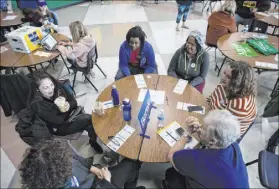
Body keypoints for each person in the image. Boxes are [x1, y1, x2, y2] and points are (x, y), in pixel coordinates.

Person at [165, 109, 249, 188]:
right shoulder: (233, 144)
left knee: (171, 173)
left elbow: (171, 155)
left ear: (213, 141)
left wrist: (187, 133)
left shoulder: (199, 160)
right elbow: (209, 143)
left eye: (204, 128)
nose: (200, 127)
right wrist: (203, 134)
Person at [19, 139, 145, 189]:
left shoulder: (55, 159)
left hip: (95, 176)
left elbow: (75, 157)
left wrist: (92, 168)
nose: (69, 159)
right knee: (131, 164)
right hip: (101, 185)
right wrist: (106, 181)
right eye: (67, 161)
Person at [28, 71, 103, 153]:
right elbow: (59, 120)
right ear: (37, 89)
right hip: (59, 127)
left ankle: (93, 141)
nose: (51, 89)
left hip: (70, 115)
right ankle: (94, 140)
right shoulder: (38, 104)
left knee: (89, 124)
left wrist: (69, 105)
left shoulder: (58, 87)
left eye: (51, 85)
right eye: (45, 88)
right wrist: (62, 108)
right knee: (89, 118)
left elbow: (74, 102)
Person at [207, 61, 257, 135]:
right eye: (224, 73)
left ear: (238, 82)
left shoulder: (239, 105)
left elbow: (221, 126)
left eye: (229, 77)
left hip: (225, 132)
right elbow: (212, 98)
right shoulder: (228, 85)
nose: (223, 78)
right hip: (215, 115)